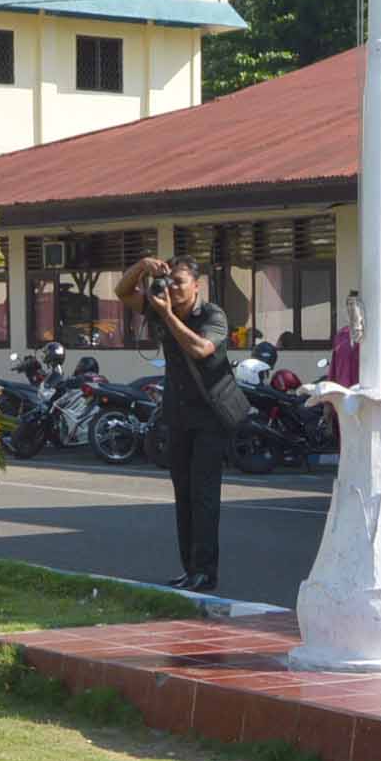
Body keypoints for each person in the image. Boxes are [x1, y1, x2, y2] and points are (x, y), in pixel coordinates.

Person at [114, 250, 245, 593]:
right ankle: (189, 568)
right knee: (182, 494)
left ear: (197, 286)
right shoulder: (159, 306)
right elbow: (122, 292)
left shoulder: (212, 315)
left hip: (211, 415)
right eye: (168, 281)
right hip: (178, 414)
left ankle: (206, 571)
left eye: (179, 282)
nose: (171, 288)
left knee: (204, 496)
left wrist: (168, 315)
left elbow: (201, 349)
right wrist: (141, 266)